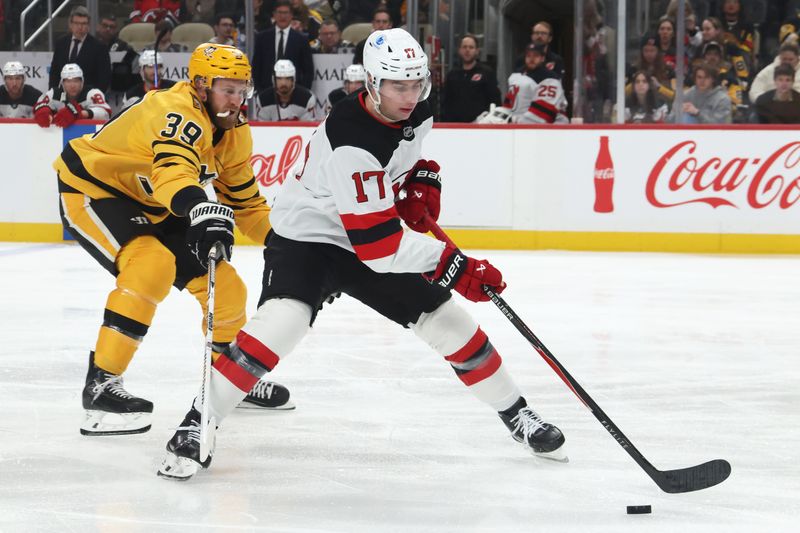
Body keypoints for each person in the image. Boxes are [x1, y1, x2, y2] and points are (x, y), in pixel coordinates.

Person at [159, 28, 566, 481]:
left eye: (417, 83)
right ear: (372, 84)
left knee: (449, 323)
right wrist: (453, 264)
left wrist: (419, 177)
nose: (410, 95)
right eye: (398, 85)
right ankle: (198, 420)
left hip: (366, 229)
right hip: (308, 238)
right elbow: (380, 247)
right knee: (283, 325)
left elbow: (398, 163)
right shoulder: (350, 137)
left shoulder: (418, 109)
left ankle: (517, 414)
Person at [52, 44, 293, 437]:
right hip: (95, 188)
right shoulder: (175, 110)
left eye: (240, 89)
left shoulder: (234, 133)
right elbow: (173, 174)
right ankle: (101, 384)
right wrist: (199, 208)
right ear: (200, 84)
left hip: (157, 202)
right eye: (225, 89)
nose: (235, 100)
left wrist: (290, 245)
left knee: (227, 287)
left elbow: (247, 203)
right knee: (151, 265)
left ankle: (229, 380)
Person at [477, 44, 567, 124]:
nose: (531, 59)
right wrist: (496, 115)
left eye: (536, 56)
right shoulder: (517, 75)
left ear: (542, 58)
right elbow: (509, 106)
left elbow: (542, 114)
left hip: (551, 131)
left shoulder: (549, 78)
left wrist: (511, 121)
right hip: (522, 127)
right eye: (528, 55)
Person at [252, 0, 315, 93]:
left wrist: (303, 92)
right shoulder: (262, 38)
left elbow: (308, 70)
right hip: (266, 91)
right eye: (279, 12)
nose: (283, 16)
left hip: (294, 93)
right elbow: (256, 66)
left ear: (291, 15)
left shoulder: (301, 39)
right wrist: (259, 89)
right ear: (274, 14)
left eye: (286, 13)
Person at [48, 6, 112, 93]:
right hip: (63, 96)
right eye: (76, 23)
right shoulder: (61, 43)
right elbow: (54, 73)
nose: (80, 27)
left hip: (88, 98)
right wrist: (53, 93)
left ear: (88, 25)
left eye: (84, 23)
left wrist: (93, 97)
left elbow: (103, 78)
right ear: (70, 24)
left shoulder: (99, 47)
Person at [441, 34, 501, 123]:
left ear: (477, 51)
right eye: (464, 47)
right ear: (459, 50)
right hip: (455, 128)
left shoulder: (486, 73)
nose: (467, 50)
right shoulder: (452, 75)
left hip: (480, 127)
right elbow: (445, 103)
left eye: (471, 47)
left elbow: (495, 101)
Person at [34, 64, 112, 128]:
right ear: (62, 83)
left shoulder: (92, 93)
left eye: (76, 81)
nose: (72, 85)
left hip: (87, 135)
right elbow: (40, 104)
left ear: (82, 82)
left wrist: (81, 113)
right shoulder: (53, 93)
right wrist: (44, 112)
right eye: (68, 81)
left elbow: (106, 113)